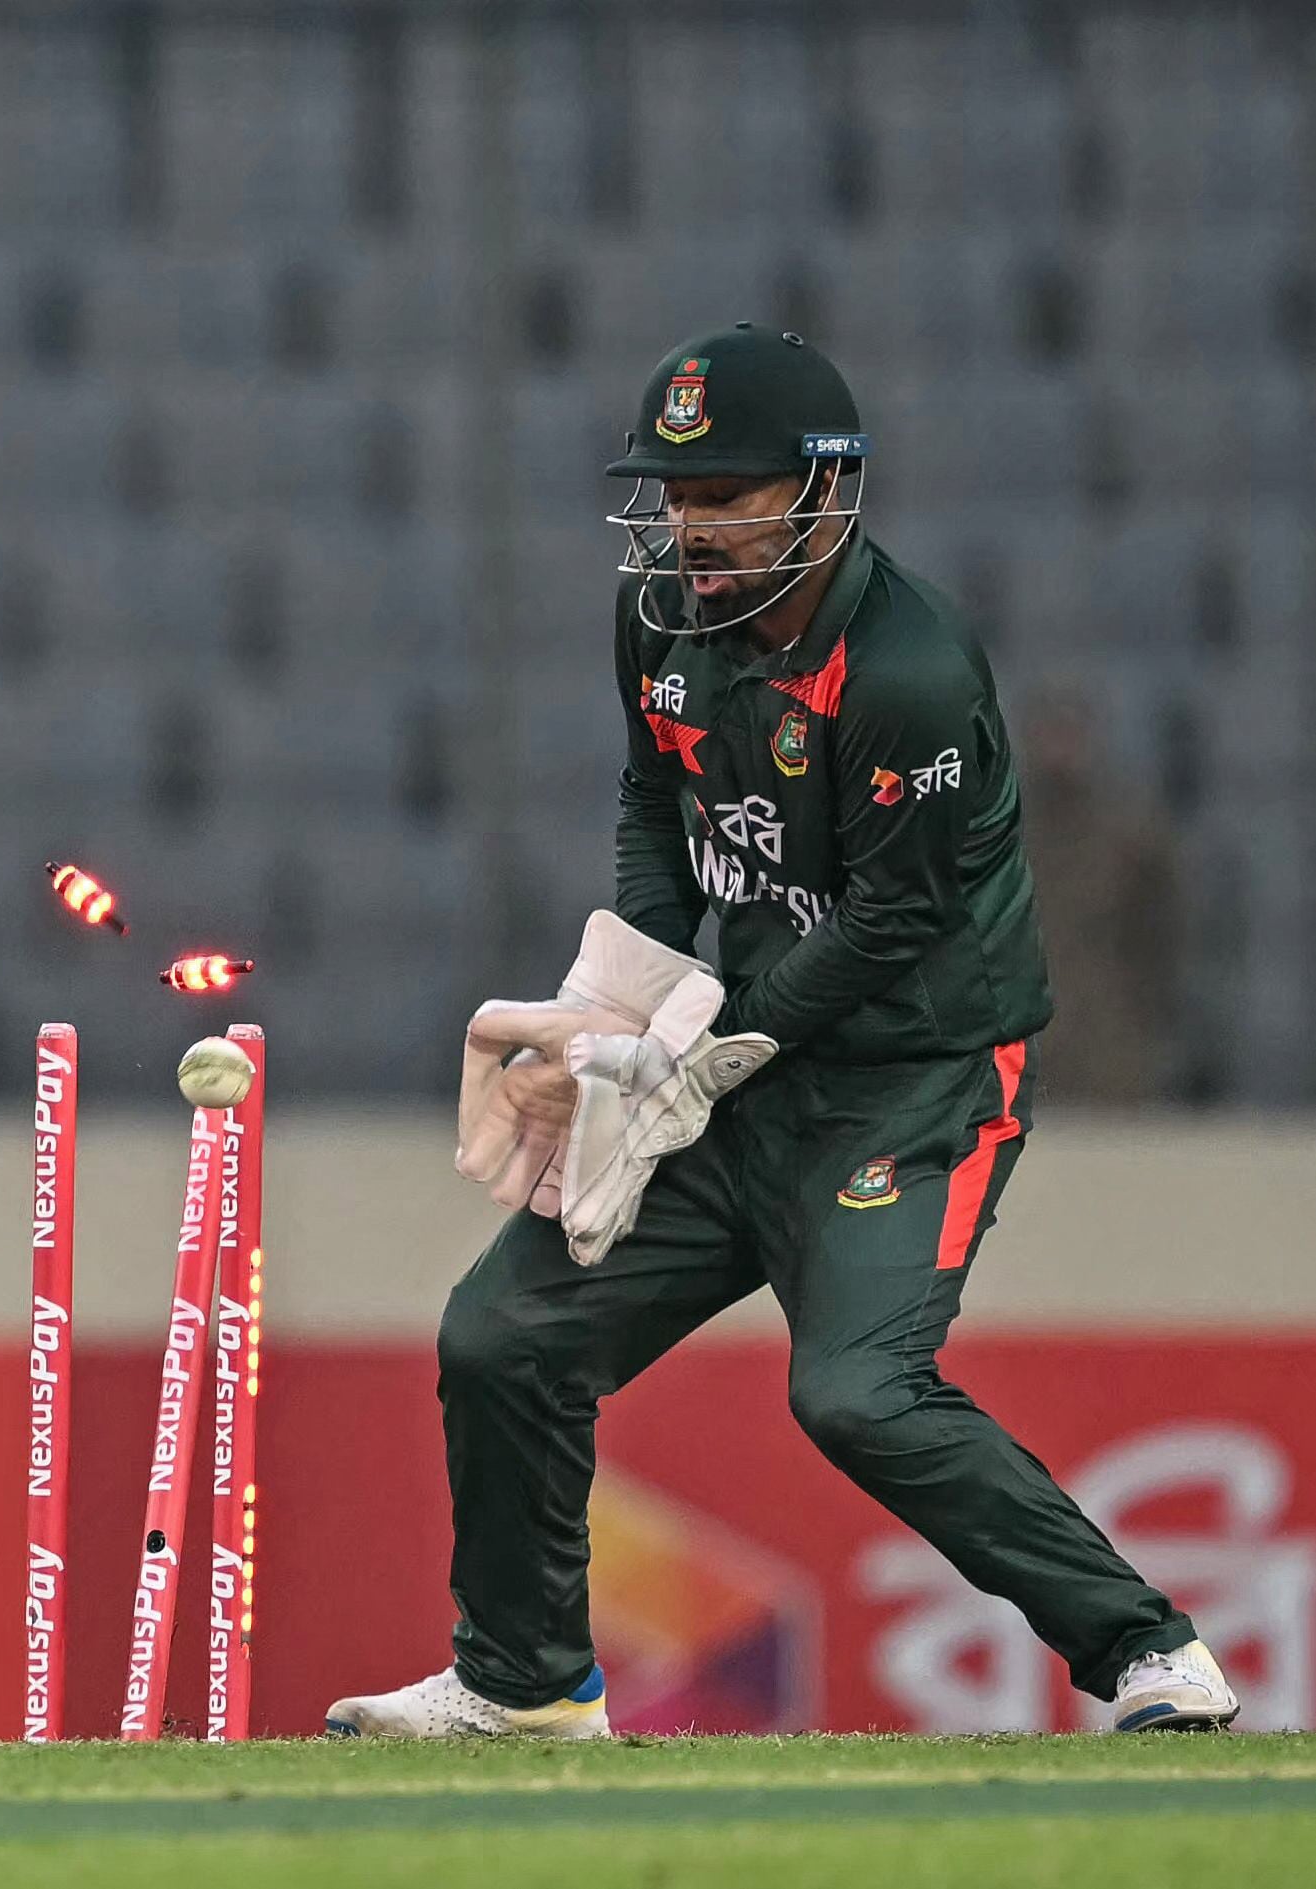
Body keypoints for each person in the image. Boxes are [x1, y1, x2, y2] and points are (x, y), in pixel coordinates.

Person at [326, 324, 1235, 1738]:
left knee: (860, 1392)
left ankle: (1146, 1651)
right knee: (502, 1334)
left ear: (820, 495)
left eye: (723, 493)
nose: (686, 524)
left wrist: (706, 1044)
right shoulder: (659, 620)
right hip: (734, 1070)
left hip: (913, 1079)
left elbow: (889, 926)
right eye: (671, 493)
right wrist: (621, 996)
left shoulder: (908, 671)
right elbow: (655, 803)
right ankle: (522, 1683)